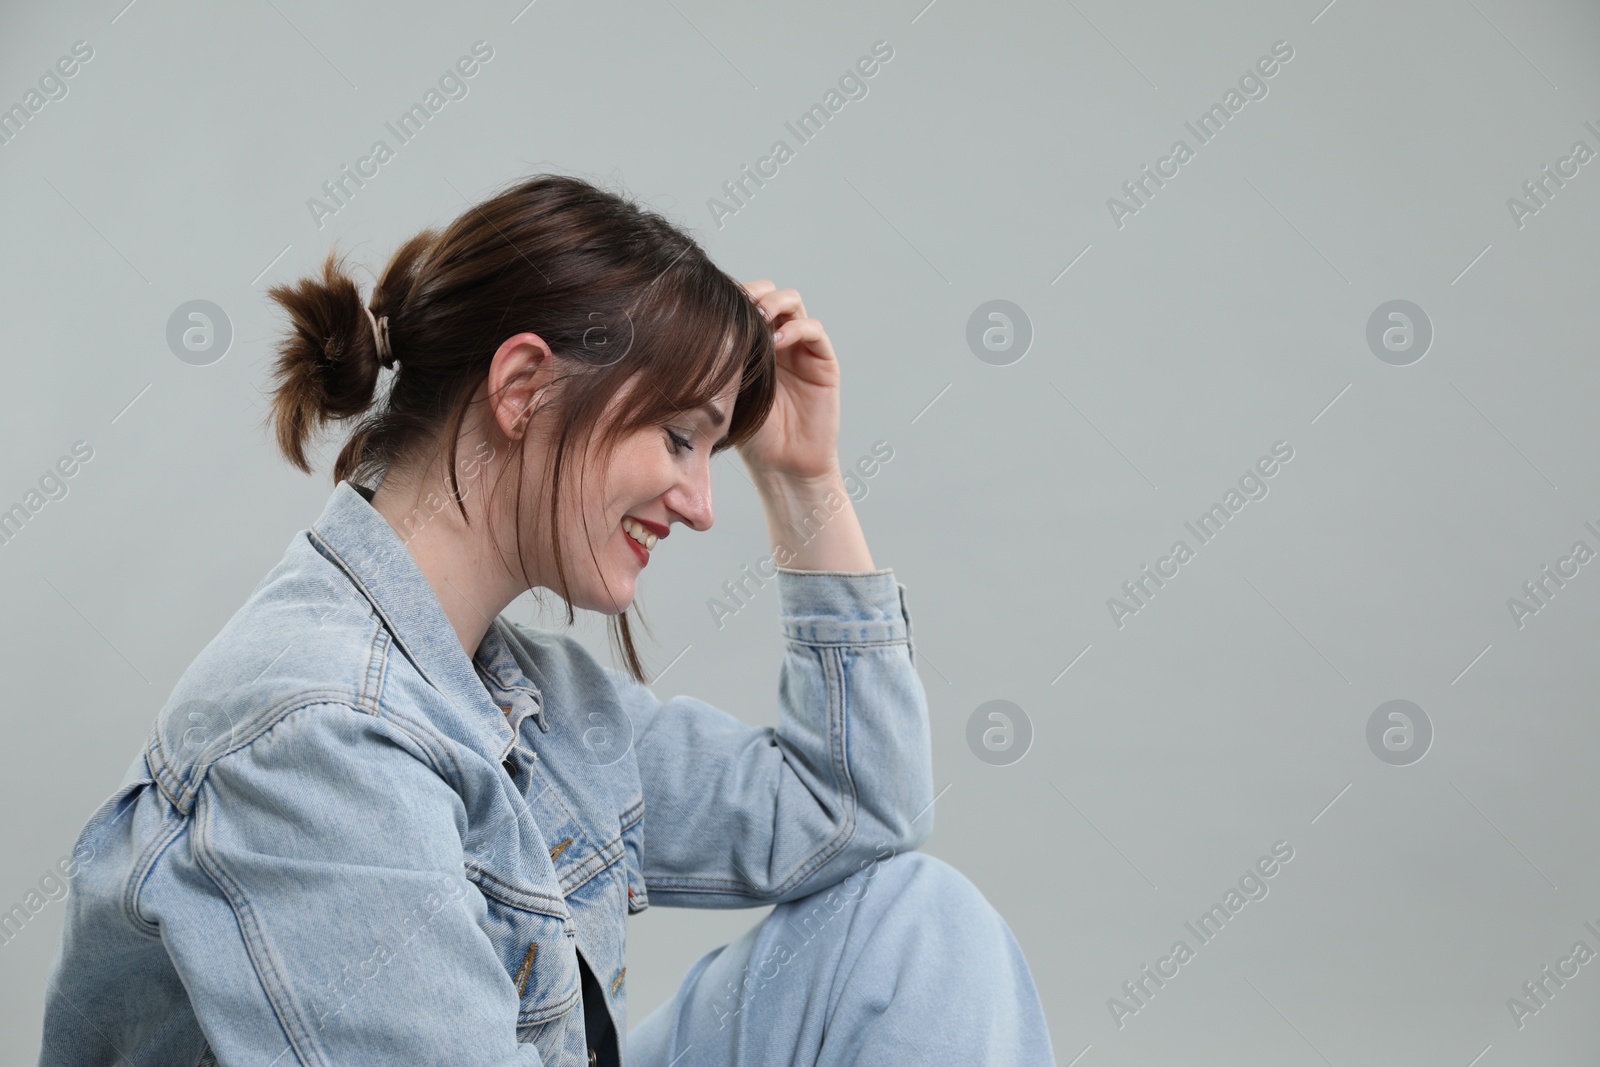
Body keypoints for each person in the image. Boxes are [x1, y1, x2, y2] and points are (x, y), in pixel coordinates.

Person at [37, 173, 1055, 1065]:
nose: (701, 504)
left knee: (919, 926)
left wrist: (805, 481)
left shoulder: (519, 691)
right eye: (676, 437)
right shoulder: (321, 733)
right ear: (523, 386)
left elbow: (855, 805)